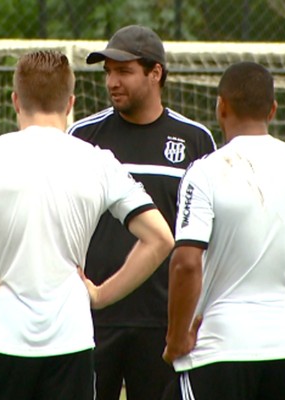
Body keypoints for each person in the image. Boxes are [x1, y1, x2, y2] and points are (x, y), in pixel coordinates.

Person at [0, 50, 174, 400]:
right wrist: (101, 295)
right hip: (71, 344)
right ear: (70, 102)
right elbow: (160, 238)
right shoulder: (99, 162)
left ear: (14, 100)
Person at [162, 61, 285, 400]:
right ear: (273, 109)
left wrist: (176, 338)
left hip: (218, 350)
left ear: (220, 106)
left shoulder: (204, 172)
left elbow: (186, 263)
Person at [66, 24, 216, 400]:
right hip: (93, 316)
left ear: (155, 73)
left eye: (124, 71)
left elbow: (208, 237)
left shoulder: (196, 139)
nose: (112, 82)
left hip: (162, 323)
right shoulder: (83, 137)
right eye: (108, 73)